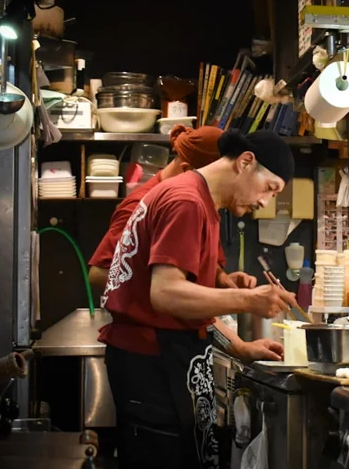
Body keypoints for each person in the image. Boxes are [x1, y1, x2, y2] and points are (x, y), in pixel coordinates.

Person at [99, 129, 298, 469]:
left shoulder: (199, 200)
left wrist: (240, 348)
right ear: (246, 162)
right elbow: (166, 295)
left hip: (164, 360)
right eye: (269, 189)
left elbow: (189, 306)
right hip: (153, 367)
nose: (266, 202)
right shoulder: (187, 202)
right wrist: (249, 300)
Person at [88, 125, 255, 292]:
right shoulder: (140, 206)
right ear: (188, 171)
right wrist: (166, 288)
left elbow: (200, 259)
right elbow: (98, 274)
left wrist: (219, 278)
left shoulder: (203, 204)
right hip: (152, 318)